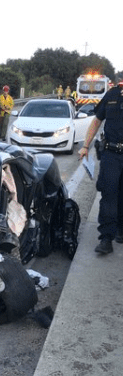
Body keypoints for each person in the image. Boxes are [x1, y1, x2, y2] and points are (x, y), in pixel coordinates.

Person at [78, 82, 123, 254]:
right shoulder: (112, 94)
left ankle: (121, 228)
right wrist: (85, 146)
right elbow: (97, 121)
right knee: (108, 194)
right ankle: (106, 238)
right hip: (111, 153)